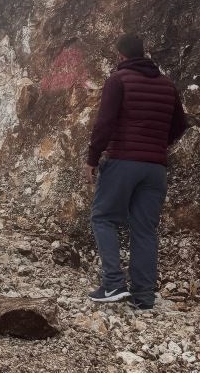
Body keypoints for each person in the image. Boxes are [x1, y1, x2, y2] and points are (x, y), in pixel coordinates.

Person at [86, 34, 188, 310]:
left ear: (121, 55)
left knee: (103, 217)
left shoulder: (118, 80)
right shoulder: (168, 85)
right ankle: (143, 296)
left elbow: (104, 123)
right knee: (144, 229)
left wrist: (92, 158)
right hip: (155, 168)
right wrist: (157, 144)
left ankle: (113, 283)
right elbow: (180, 124)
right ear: (143, 53)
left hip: (122, 161)